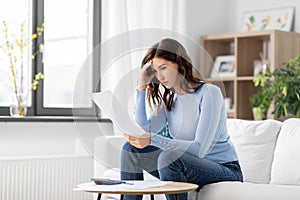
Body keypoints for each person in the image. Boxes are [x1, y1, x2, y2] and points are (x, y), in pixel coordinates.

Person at [120, 38, 243, 200]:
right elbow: (142, 132)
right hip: (186, 167)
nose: (160, 76)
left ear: (179, 64)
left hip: (224, 170)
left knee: (170, 157)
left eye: (163, 68)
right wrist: (142, 87)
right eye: (155, 71)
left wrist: (152, 139)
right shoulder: (169, 100)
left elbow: (200, 150)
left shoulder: (209, 93)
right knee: (130, 148)